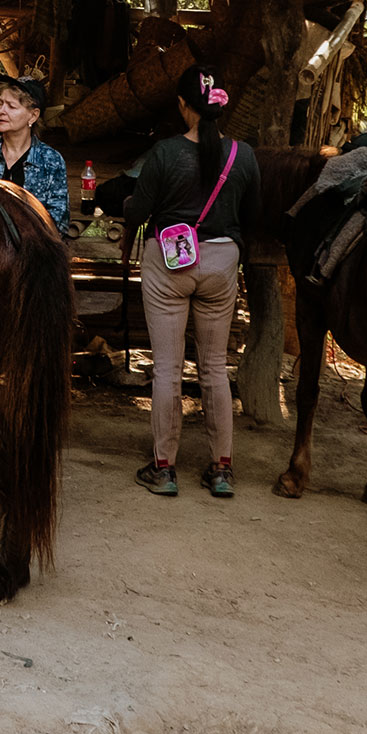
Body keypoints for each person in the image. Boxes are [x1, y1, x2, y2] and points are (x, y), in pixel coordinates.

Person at [121, 65, 263, 498]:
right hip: (222, 265)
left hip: (170, 264)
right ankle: (221, 469)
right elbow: (252, 217)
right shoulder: (244, 155)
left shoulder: (164, 154)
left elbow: (138, 212)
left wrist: (128, 202)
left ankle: (164, 468)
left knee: (166, 368)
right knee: (215, 368)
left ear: (183, 106)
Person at [0, 76, 68, 229]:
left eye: (11, 107)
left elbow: (58, 222)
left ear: (33, 115)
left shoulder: (50, 161)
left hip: (32, 248)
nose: (1, 111)